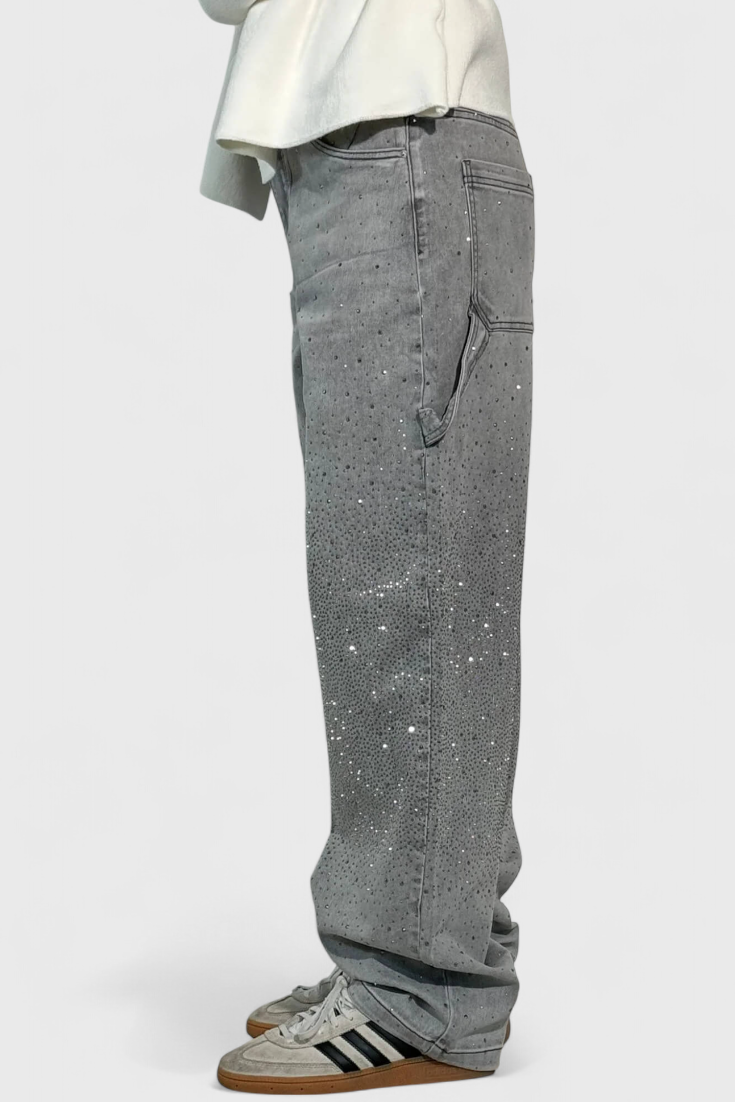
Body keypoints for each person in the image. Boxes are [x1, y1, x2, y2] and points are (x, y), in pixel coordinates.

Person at [197, 0, 534, 1092]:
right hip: (370, 151)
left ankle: (419, 989)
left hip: (404, 141)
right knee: (389, 567)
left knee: (409, 580)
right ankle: (417, 953)